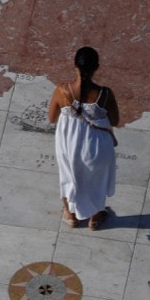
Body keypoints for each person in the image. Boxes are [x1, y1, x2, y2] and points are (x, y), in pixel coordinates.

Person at [47, 46, 120, 230]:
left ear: (74, 65)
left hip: (68, 141)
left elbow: (52, 118)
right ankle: (94, 219)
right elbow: (115, 120)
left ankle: (70, 215)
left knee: (68, 176)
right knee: (96, 180)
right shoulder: (105, 94)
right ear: (97, 67)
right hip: (97, 144)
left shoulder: (62, 91)